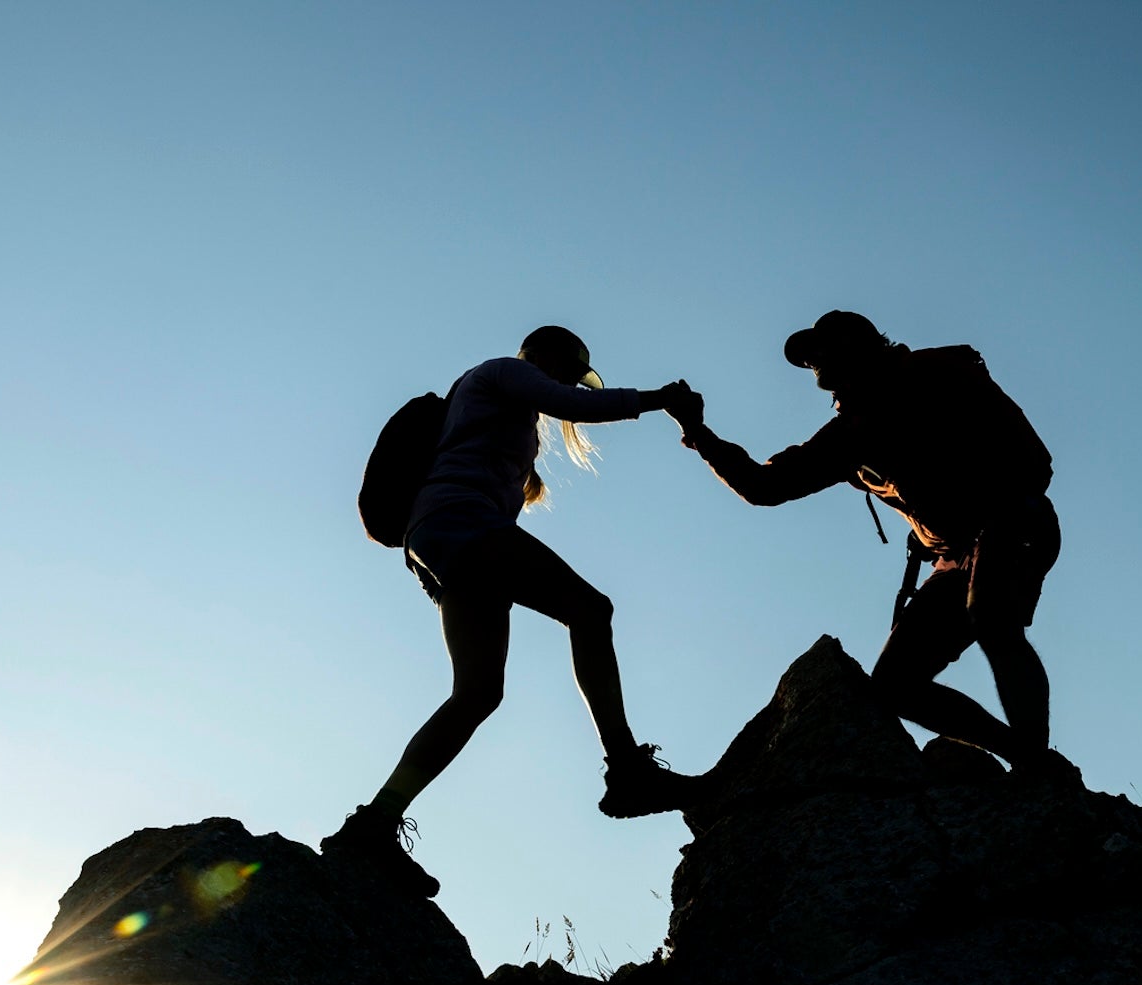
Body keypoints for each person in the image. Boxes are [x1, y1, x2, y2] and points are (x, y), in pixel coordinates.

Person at [325, 325, 703, 894]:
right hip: (462, 524)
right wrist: (659, 400)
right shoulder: (502, 370)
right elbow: (573, 404)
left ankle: (372, 825)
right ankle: (627, 772)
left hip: (438, 540)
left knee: (477, 694)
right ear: (546, 355)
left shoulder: (501, 419)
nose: (573, 380)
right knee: (590, 610)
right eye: (572, 367)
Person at [674, 311, 1072, 777]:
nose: (814, 366)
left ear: (856, 346)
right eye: (810, 360)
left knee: (992, 619)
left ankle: (1035, 767)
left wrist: (988, 506)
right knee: (895, 686)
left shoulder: (941, 376)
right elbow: (765, 486)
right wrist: (698, 433)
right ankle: (1029, 758)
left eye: (820, 351)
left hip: (1015, 521)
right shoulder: (852, 433)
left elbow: (1036, 464)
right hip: (954, 556)